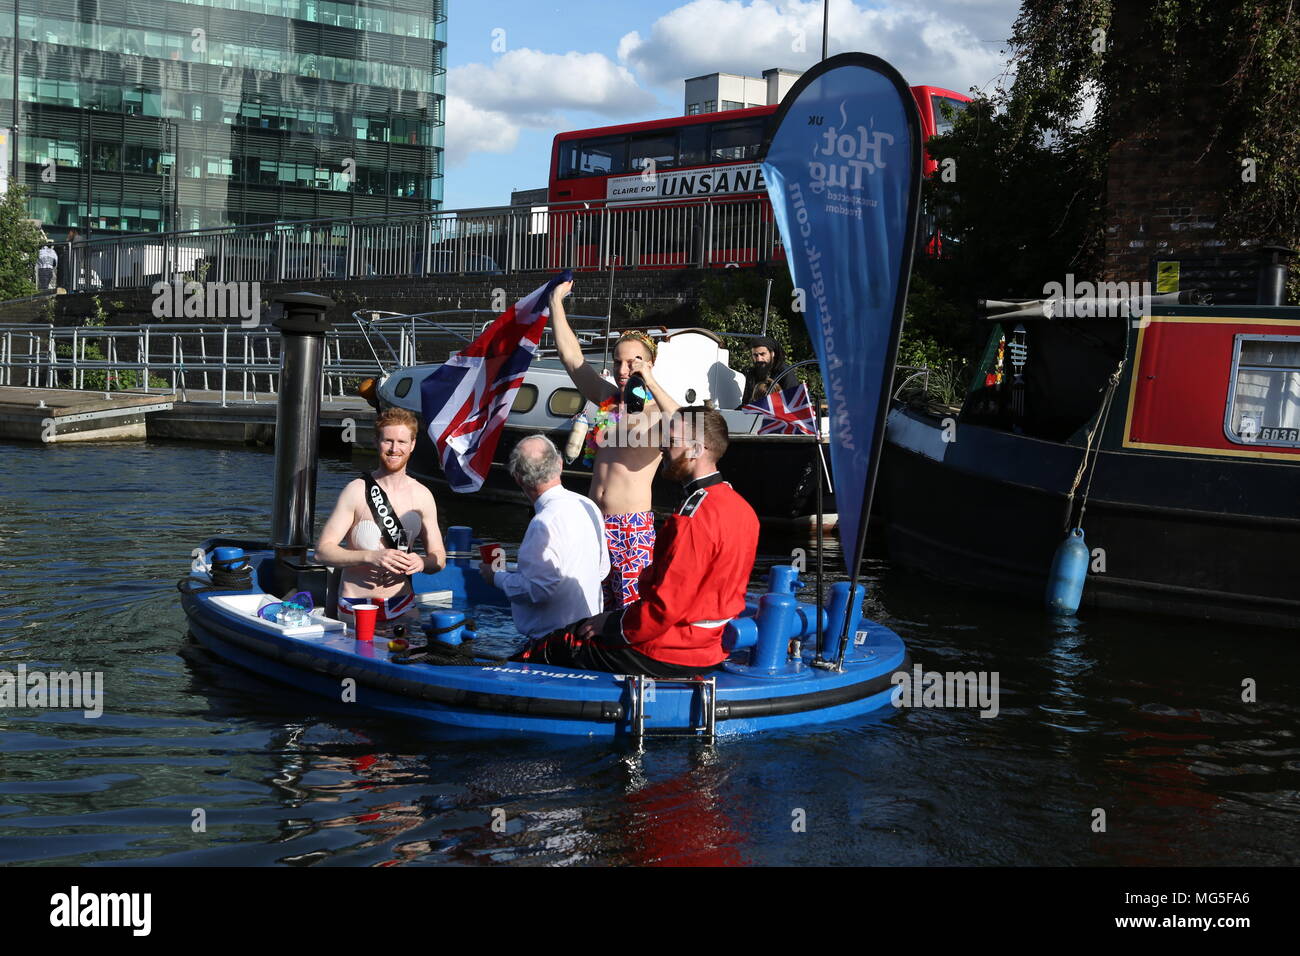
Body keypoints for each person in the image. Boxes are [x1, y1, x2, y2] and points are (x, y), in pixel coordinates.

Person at [513, 407, 759, 677]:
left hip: (672, 648)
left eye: (672, 440)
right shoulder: (742, 508)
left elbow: (664, 609)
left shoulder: (692, 518)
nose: (663, 446)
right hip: (709, 645)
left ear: (696, 449)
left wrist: (612, 624)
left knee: (556, 644)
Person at [548, 279, 680, 608]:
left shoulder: (655, 412)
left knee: (630, 608)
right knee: (594, 605)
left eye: (633, 362)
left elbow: (687, 425)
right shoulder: (608, 400)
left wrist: (648, 379)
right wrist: (555, 303)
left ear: (650, 363)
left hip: (631, 527)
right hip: (595, 522)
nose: (623, 370)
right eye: (618, 361)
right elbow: (571, 359)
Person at [315, 406, 446, 625]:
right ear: (376, 442)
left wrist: (422, 562)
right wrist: (370, 556)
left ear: (412, 445)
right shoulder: (355, 491)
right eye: (388, 441)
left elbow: (439, 558)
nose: (395, 449)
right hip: (356, 604)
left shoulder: (423, 496)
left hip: (402, 603)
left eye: (402, 442)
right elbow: (322, 552)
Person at [480, 435, 609, 639]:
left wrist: (496, 577)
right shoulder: (587, 505)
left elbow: (537, 590)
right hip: (589, 633)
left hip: (555, 641)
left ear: (517, 478)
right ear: (559, 464)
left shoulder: (544, 523)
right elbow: (602, 570)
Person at [741, 335, 791, 405]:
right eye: (755, 355)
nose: (759, 359)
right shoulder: (752, 373)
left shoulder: (785, 372)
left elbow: (792, 402)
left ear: (772, 353)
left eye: (762, 354)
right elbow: (745, 402)